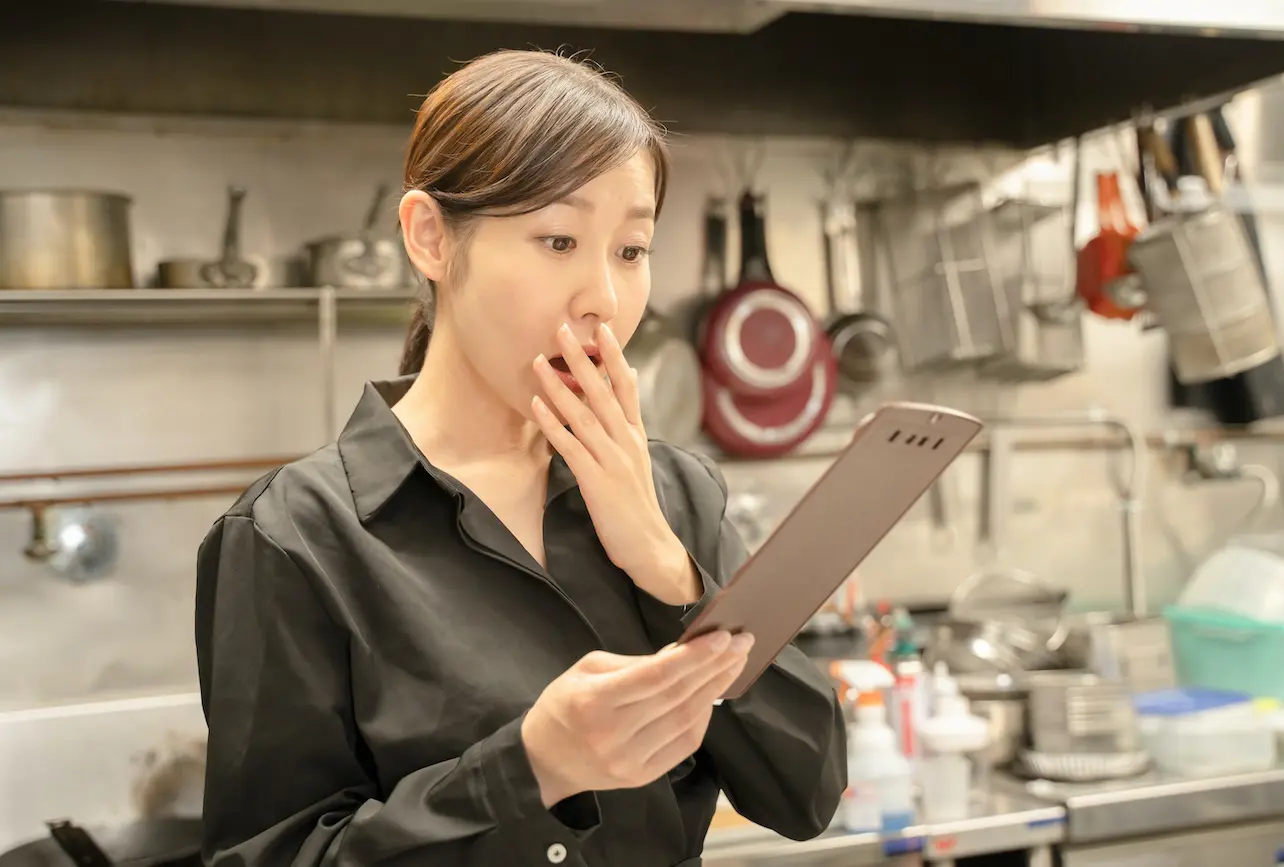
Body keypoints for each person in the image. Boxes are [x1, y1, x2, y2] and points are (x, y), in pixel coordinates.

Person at [194, 49, 847, 867]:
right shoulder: (293, 534)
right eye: (559, 239)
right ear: (431, 237)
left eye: (631, 250)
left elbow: (808, 789)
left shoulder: (675, 491)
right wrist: (532, 767)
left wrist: (665, 569)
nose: (604, 299)